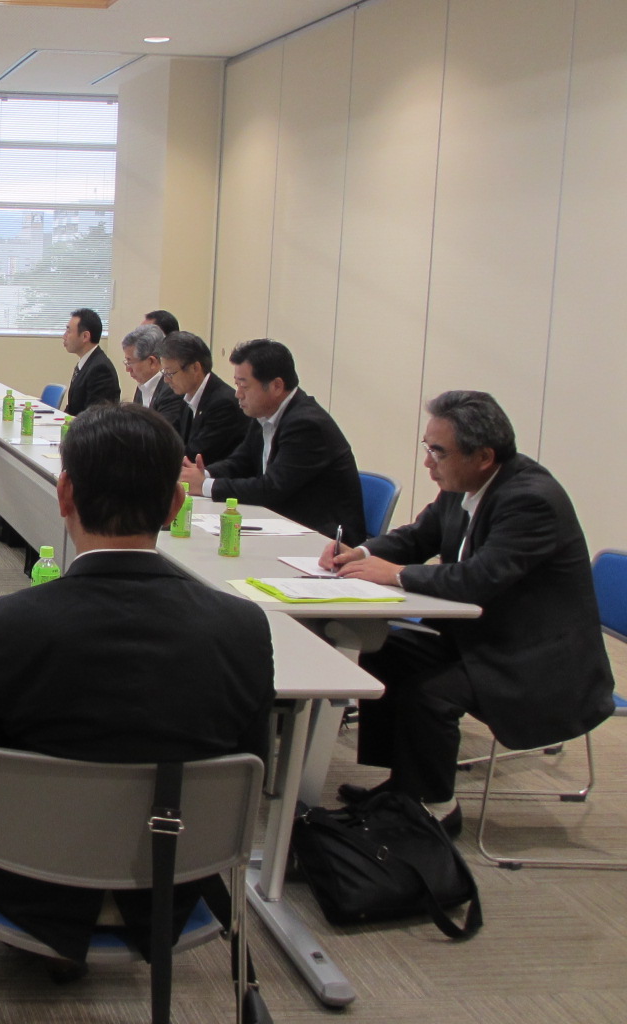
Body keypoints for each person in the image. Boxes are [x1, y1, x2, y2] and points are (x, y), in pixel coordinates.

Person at [0, 403, 274, 974]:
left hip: (31, 886)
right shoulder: (242, 628)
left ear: (64, 493)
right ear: (176, 504)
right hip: (175, 884)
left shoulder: (6, 625)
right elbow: (252, 774)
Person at [322, 390, 616, 835]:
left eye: (438, 452)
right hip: (483, 636)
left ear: (483, 456)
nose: (428, 462)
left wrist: (396, 575)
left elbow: (478, 578)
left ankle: (437, 809)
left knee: (430, 692)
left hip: (534, 659)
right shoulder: (463, 486)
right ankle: (405, 787)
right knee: (385, 651)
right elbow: (418, 536)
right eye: (427, 447)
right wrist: (360, 553)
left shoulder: (531, 500)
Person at [180, 338, 364, 540]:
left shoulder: (306, 424)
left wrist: (206, 486)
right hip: (284, 525)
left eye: (244, 386)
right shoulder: (264, 414)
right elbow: (240, 462)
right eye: (236, 384)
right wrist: (202, 474)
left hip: (323, 538)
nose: (238, 394)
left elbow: (271, 488)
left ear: (276, 386)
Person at [156, 331, 249, 465]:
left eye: (170, 373)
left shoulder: (223, 404)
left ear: (195, 368)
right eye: (164, 373)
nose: (166, 380)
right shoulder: (188, 396)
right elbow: (171, 438)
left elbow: (195, 456)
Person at [120, 323, 185, 432]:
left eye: (130, 362)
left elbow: (161, 435)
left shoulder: (171, 390)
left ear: (152, 362)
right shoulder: (142, 386)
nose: (128, 369)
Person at [61, 308, 118, 414]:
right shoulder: (86, 363)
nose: (64, 336)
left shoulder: (100, 369)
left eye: (68, 331)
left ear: (85, 336)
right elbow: (73, 406)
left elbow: (94, 416)